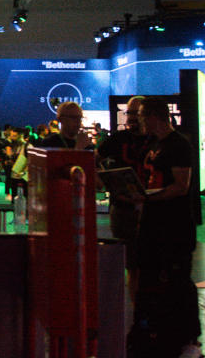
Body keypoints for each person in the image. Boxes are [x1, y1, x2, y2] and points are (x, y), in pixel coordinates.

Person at [126, 97, 200, 357]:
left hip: (175, 227)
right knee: (150, 279)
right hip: (152, 225)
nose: (139, 120)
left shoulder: (179, 144)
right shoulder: (153, 145)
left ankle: (191, 340)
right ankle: (155, 333)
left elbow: (181, 186)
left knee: (178, 281)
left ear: (155, 116)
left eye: (143, 115)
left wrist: (148, 198)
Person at [97, 95, 149, 302]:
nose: (132, 118)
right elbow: (93, 160)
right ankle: (136, 310)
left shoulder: (157, 140)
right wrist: (103, 179)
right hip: (123, 210)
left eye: (136, 113)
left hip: (152, 210)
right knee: (131, 264)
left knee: (149, 264)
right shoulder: (117, 140)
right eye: (129, 113)